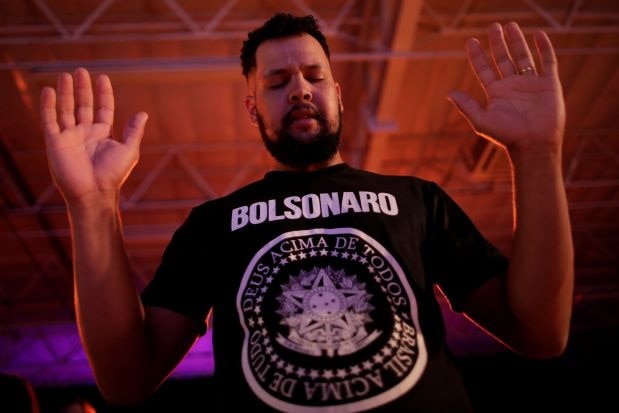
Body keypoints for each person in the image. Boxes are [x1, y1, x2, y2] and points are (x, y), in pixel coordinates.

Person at [39, 12, 573, 412]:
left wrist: (537, 153)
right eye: (276, 83)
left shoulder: (418, 199)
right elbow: (125, 379)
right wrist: (91, 204)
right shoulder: (214, 224)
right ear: (252, 108)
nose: (299, 89)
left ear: (337, 94)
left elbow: (540, 332)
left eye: (314, 77)